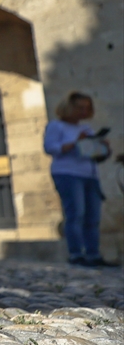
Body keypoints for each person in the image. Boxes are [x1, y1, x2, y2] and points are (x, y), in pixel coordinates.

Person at [43, 92, 116, 267]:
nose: (84, 111)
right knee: (76, 214)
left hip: (89, 174)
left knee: (93, 216)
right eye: (79, 107)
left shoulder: (87, 129)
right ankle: (76, 254)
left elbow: (95, 155)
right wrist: (75, 142)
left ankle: (93, 254)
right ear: (69, 107)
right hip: (67, 173)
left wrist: (103, 147)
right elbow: (49, 147)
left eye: (87, 108)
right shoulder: (56, 126)